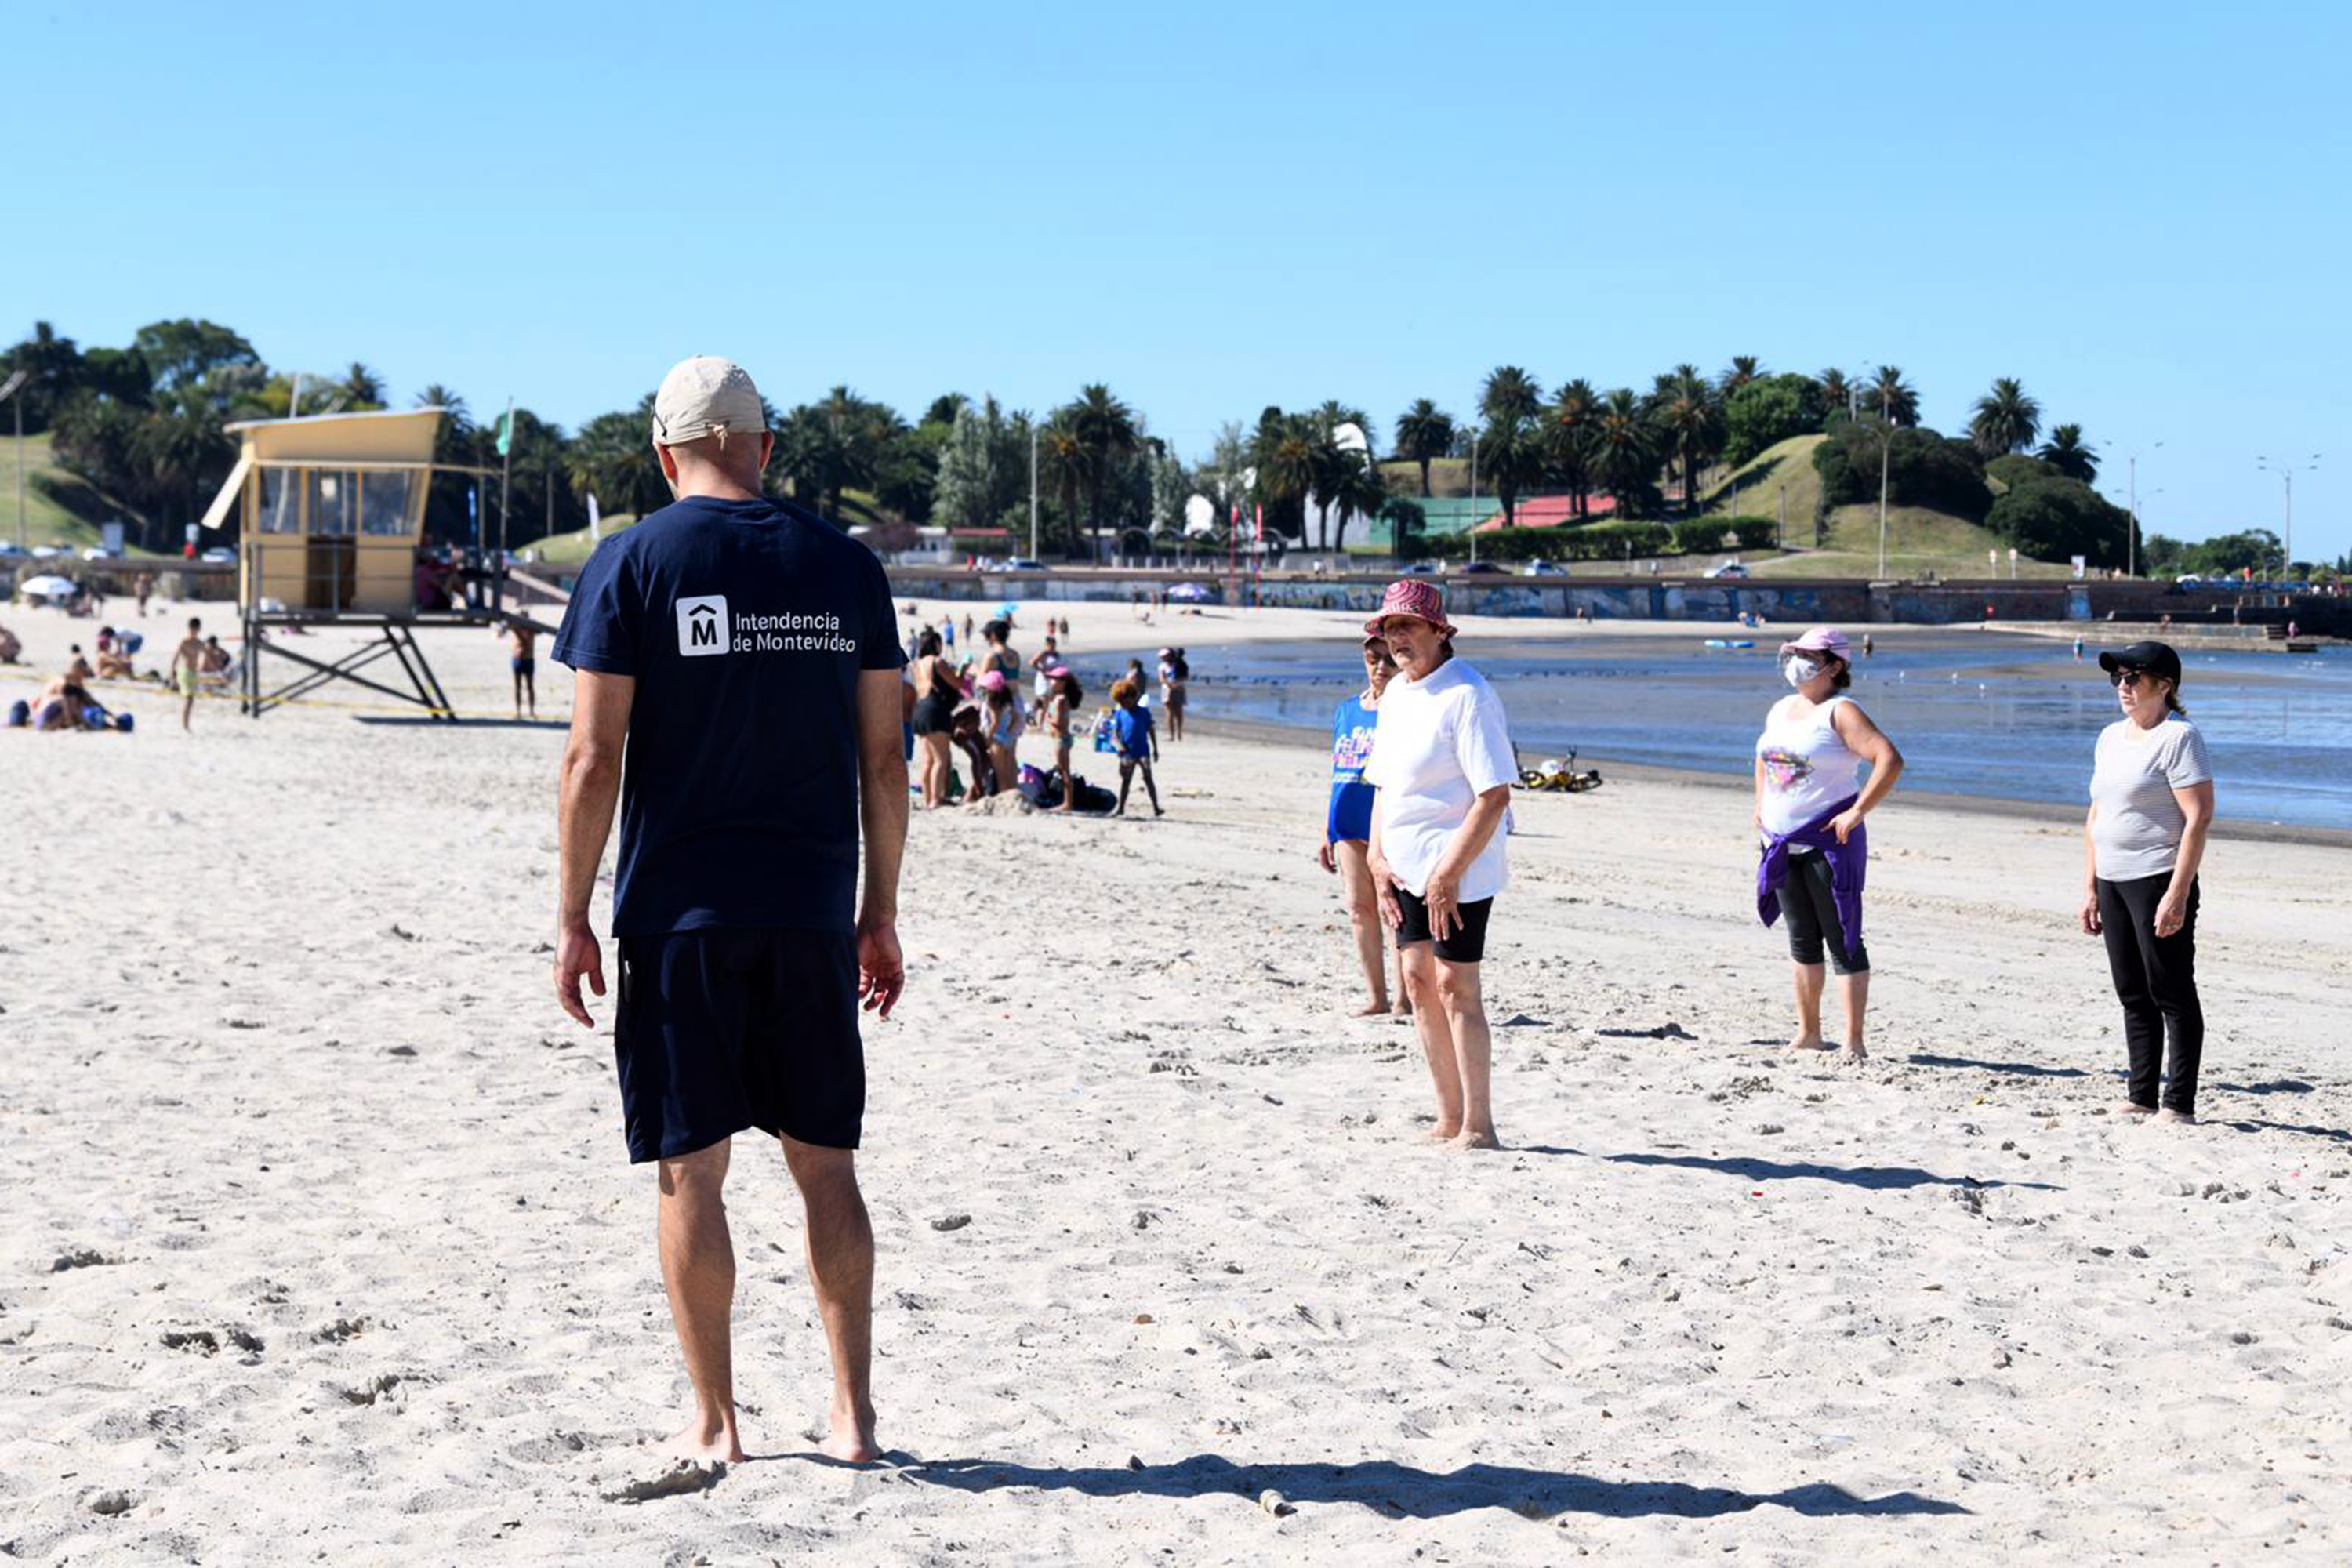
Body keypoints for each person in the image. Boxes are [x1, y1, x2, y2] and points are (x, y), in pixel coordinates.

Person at [549, 354, 907, 1467]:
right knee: (826, 1164)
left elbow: (591, 756)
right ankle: (853, 1417)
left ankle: (717, 1422)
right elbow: (886, 758)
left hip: (677, 915)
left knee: (689, 1169)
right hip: (807, 911)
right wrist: (878, 910)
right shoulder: (845, 567)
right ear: (765, 446)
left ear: (665, 453)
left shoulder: (631, 563)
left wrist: (571, 915)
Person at [1361, 582, 1515, 1151]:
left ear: (1437, 630)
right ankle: (1448, 1117)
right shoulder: (1398, 692)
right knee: (1418, 982)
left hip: (1460, 866)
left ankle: (1479, 1125)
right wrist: (1377, 857)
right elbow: (1383, 783)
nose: (1396, 638)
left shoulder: (1469, 694)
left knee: (1456, 985)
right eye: (1389, 629)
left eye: (1407, 626)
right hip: (1402, 867)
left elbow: (1494, 794)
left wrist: (1449, 873)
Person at [1753, 626, 1904, 1062]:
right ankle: (1809, 1033)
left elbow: (1889, 759)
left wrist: (1858, 811)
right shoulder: (1782, 708)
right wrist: (1759, 807)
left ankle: (1853, 1040)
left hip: (1828, 842)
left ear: (1834, 665)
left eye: (1807, 655)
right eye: (1793, 653)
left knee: (1843, 938)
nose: (1796, 662)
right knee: (1802, 939)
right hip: (1780, 842)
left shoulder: (1842, 711)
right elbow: (1764, 759)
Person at [2082, 641, 2212, 1126]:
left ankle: (2179, 1103)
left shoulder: (2180, 739)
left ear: (2165, 686)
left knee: (2172, 991)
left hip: (2157, 877)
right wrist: (2091, 886)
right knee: (2131, 992)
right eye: (2118, 678)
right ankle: (2141, 1095)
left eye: (2133, 678)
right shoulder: (2110, 737)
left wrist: (2177, 894)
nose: (2123, 687)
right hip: (2112, 879)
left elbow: (2198, 819)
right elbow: (2095, 814)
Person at [1319, 633, 1406, 1017]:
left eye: (1388, 660)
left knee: (1395, 913)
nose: (1380, 668)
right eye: (1373, 659)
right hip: (1347, 821)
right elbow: (1339, 769)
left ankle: (1406, 998)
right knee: (1359, 909)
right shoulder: (1347, 710)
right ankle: (1377, 997)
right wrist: (1327, 828)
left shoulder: (1406, 708)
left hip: (1389, 824)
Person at [908, 629, 964, 810]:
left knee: (928, 760)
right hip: (936, 710)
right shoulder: (937, 662)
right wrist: (964, 669)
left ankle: (927, 798)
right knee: (941, 759)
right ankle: (936, 799)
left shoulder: (917, 665)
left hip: (920, 710)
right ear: (936, 644)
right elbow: (957, 683)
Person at [1109, 677, 1162, 818]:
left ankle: (1156, 807)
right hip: (1128, 753)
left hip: (1143, 751)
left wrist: (1156, 749)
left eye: (1126, 701)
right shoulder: (1120, 714)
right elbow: (1114, 735)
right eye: (1121, 702)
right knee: (1126, 781)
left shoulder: (1144, 712)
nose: (1124, 704)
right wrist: (1119, 747)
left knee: (1148, 778)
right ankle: (1121, 808)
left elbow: (1151, 730)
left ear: (1134, 696)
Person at [978, 670, 1022, 798]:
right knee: (1008, 772)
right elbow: (1016, 717)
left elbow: (995, 722)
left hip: (997, 739)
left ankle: (1003, 798)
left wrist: (988, 738)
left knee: (1000, 774)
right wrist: (1008, 730)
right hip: (1008, 739)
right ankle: (1010, 795)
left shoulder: (992, 703)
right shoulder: (1007, 702)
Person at [1044, 665, 1080, 814]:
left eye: (1055, 680)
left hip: (1061, 738)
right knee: (1063, 770)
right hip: (1061, 738)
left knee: (1065, 772)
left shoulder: (1060, 700)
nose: (1051, 682)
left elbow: (1060, 722)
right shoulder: (1059, 698)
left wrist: (1048, 718)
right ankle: (1067, 802)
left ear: (1063, 682)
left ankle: (1067, 803)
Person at [169, 618, 205, 731]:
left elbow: (204, 657)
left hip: (193, 673)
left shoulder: (200, 643)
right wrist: (172, 673)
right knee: (189, 699)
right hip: (184, 671)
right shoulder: (184, 642)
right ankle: (185, 726)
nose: (193, 631)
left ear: (199, 629)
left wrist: (201, 665)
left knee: (191, 700)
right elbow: (175, 658)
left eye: (195, 629)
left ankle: (186, 725)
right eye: (192, 629)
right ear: (189, 629)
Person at [502, 620, 539, 719]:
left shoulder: (531, 629)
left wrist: (518, 629)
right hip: (517, 659)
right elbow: (503, 629)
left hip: (528, 659)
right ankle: (518, 712)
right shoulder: (515, 627)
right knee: (517, 687)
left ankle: (531, 711)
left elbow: (539, 631)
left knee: (529, 687)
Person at [1157, 647, 1189, 742]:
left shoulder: (1180, 664)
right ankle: (1172, 734)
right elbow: (1161, 679)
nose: (1163, 658)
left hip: (1178, 689)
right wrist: (1170, 685)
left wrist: (1175, 685)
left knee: (1178, 712)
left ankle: (1179, 733)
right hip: (1168, 689)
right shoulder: (1162, 666)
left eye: (1165, 656)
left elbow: (1185, 677)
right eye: (1162, 656)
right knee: (1170, 713)